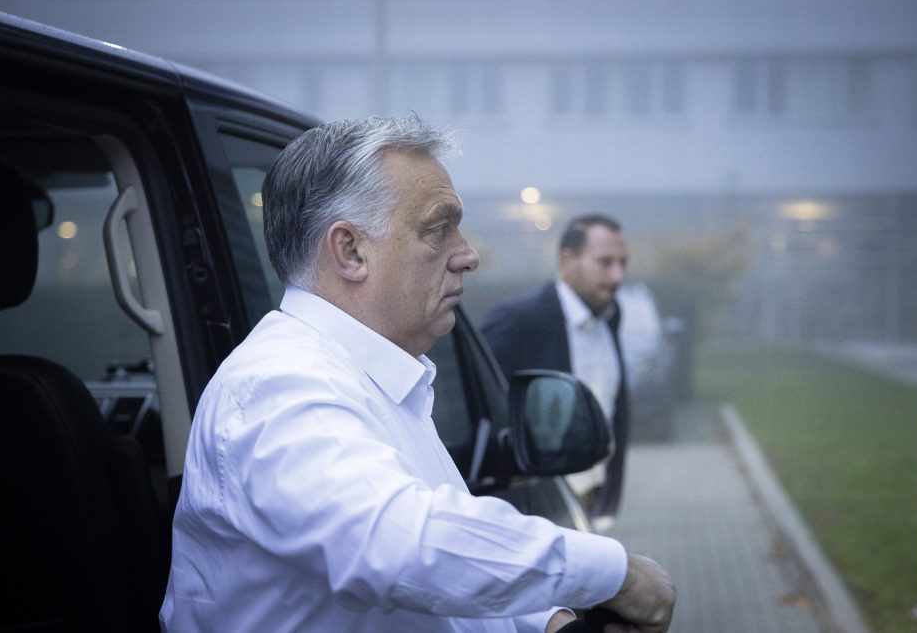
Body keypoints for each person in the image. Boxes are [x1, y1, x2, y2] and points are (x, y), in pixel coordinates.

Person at [159, 117, 674, 632]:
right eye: (437, 229)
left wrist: (546, 621)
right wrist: (614, 574)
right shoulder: (280, 385)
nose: (467, 255)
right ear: (350, 250)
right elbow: (400, 544)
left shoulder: (375, 380)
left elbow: (435, 571)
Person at [482, 215, 629, 528]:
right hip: (534, 507)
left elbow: (613, 408)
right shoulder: (520, 319)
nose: (617, 275)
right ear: (566, 259)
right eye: (605, 262)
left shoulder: (611, 316)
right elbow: (481, 406)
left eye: (622, 263)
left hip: (591, 494)